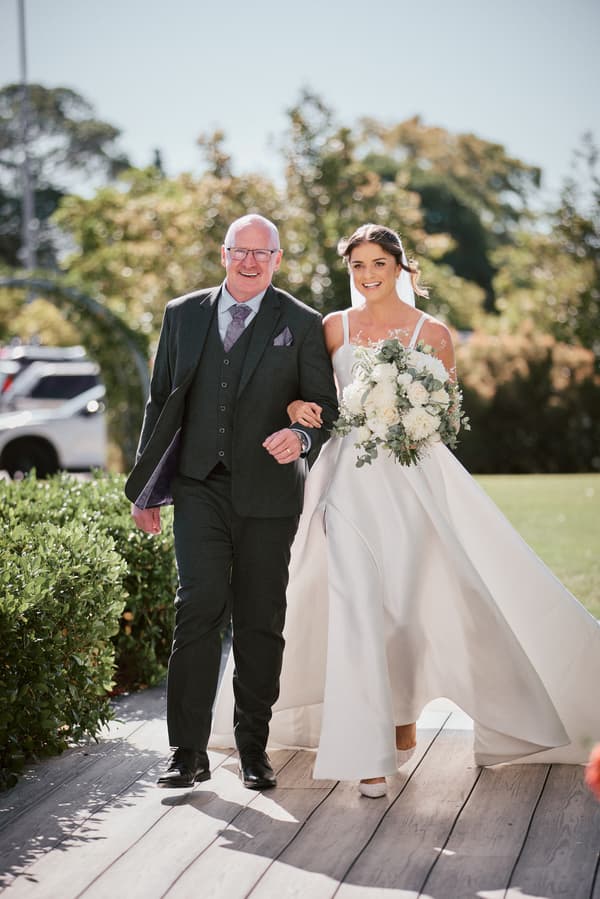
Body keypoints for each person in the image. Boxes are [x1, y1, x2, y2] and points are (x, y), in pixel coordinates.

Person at [211, 223, 600, 798]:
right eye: (357, 267)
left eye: (378, 265)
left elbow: (445, 416)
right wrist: (298, 403)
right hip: (344, 483)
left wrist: (404, 410)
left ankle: (401, 718)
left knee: (406, 610)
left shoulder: (434, 333)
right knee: (354, 601)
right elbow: (311, 396)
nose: (367, 277)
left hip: (411, 490)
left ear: (400, 268)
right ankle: (368, 757)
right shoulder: (331, 327)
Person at [125, 214, 338, 791]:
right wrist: (146, 488)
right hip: (198, 486)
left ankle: (252, 749)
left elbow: (325, 406)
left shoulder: (302, 322)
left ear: (277, 258)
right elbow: (159, 404)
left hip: (269, 495)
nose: (250, 262)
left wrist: (302, 437)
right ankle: (186, 753)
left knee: (260, 620)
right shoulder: (182, 314)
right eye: (240, 252)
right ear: (223, 255)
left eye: (261, 253)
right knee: (197, 608)